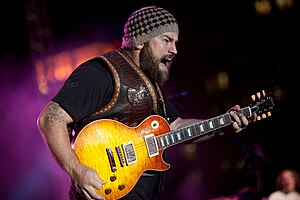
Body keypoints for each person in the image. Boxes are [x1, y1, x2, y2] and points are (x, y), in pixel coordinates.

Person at [37, 6, 257, 200]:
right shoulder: (101, 73)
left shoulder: (151, 86)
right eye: (166, 40)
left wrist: (223, 124)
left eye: (175, 42)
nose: (174, 50)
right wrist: (77, 170)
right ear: (141, 40)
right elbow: (50, 119)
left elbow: (176, 127)